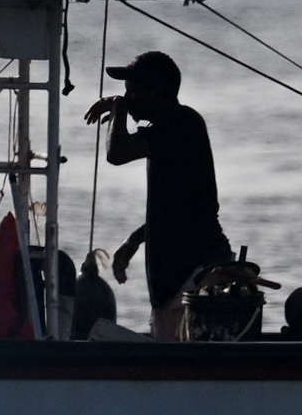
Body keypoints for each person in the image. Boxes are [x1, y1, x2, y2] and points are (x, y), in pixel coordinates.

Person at [85, 49, 231, 340]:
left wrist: (118, 110)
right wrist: (134, 240)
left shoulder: (182, 123)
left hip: (196, 272)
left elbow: (117, 153)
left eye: (132, 91)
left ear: (155, 91)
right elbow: (178, 209)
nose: (127, 97)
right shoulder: (162, 132)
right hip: (174, 283)